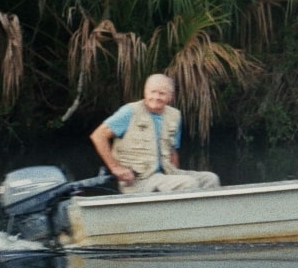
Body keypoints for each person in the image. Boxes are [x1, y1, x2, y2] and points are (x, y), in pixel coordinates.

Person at [89, 73, 222, 193]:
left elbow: (172, 151)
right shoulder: (129, 112)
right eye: (152, 92)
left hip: (165, 175)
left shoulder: (174, 116)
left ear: (170, 97)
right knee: (188, 183)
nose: (156, 97)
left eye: (161, 93)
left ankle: (211, 219)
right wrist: (115, 168)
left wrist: (174, 175)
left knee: (211, 179)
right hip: (138, 180)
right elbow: (98, 136)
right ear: (145, 92)